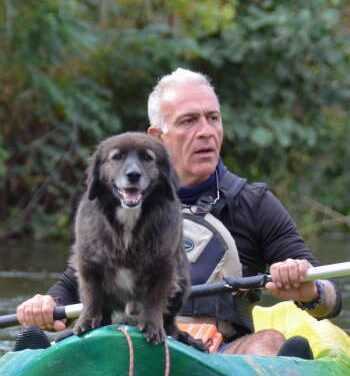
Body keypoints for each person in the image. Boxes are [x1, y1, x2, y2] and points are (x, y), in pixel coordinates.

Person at [17, 68, 341, 356]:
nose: (206, 131)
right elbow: (76, 281)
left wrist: (308, 289)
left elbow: (330, 298)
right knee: (53, 337)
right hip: (131, 343)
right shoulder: (112, 206)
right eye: (189, 120)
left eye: (213, 118)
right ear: (157, 137)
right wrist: (46, 306)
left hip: (221, 354)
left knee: (269, 340)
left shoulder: (253, 204)